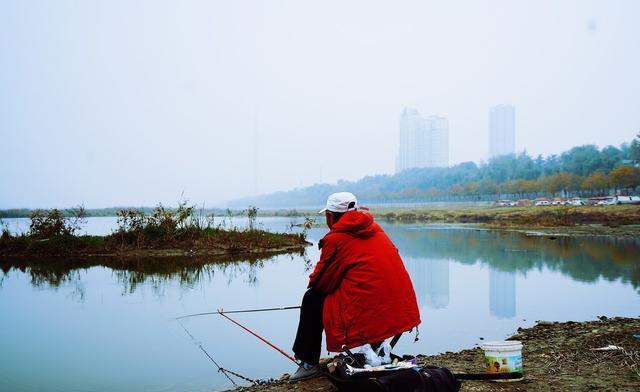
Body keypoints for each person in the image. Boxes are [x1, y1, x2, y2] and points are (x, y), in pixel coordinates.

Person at [290, 192, 421, 380]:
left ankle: (308, 363)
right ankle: (375, 349)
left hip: (375, 310)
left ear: (330, 216)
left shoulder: (336, 239)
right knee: (361, 290)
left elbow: (320, 283)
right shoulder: (375, 228)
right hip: (403, 309)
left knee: (312, 298)